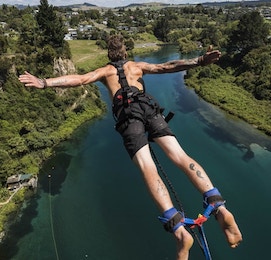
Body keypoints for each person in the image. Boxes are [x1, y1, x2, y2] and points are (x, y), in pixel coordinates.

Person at [19, 34, 242, 259]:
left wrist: (45, 82)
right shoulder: (137, 66)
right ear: (125, 52)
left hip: (128, 118)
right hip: (150, 109)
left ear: (109, 54)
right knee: (181, 156)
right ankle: (218, 205)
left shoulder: (105, 72)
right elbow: (168, 66)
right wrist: (199, 61)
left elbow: (79, 79)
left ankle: (179, 231)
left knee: (148, 167)